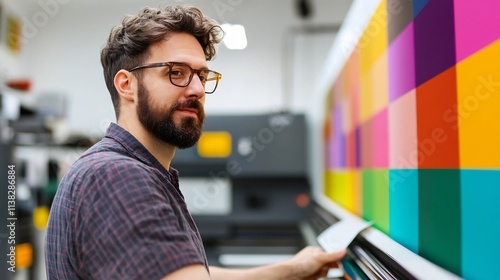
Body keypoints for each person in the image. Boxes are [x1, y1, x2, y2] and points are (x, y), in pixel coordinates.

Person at [44, 4, 345, 280]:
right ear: (127, 85)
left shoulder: (132, 170)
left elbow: (185, 273)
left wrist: (292, 270)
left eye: (202, 75)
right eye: (176, 73)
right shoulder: (116, 175)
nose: (198, 89)